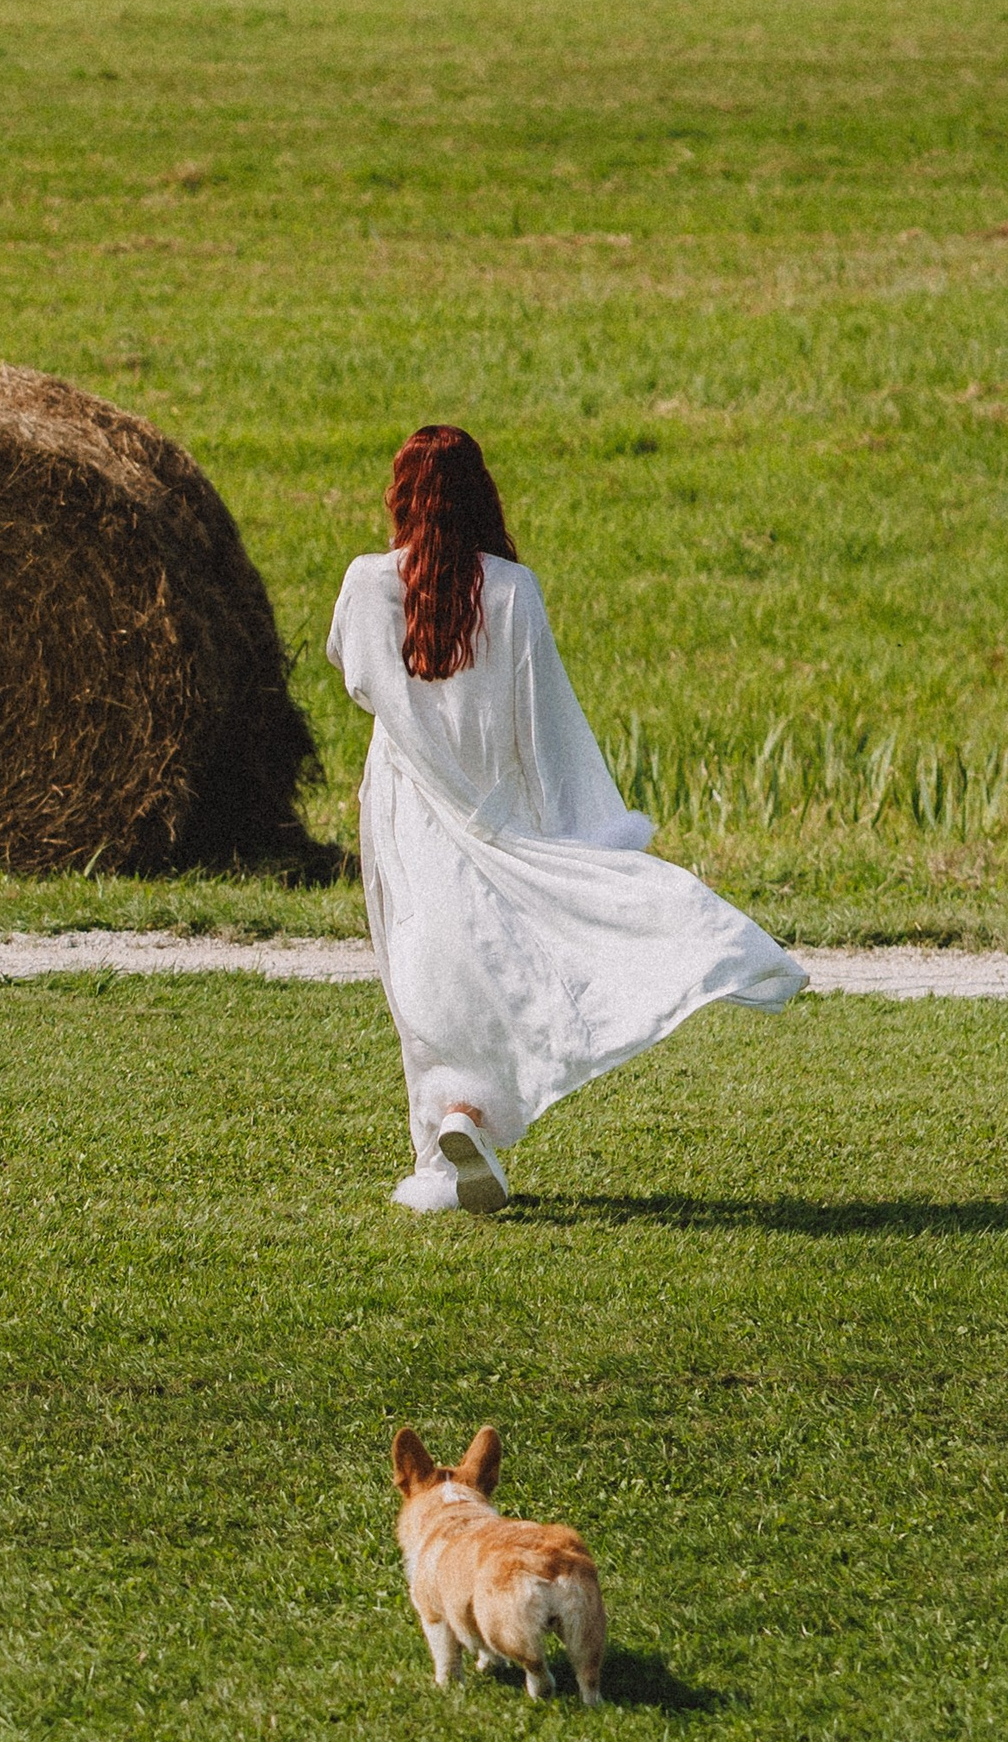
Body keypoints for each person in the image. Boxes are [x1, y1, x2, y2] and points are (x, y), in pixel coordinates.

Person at [326, 425, 804, 1215]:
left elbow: (354, 677)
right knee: (505, 960)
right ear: (483, 496)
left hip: (407, 809)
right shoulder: (512, 591)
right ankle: (464, 1124)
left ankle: (442, 1148)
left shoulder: (366, 584)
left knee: (423, 968)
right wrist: (586, 835)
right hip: (492, 808)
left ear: (401, 496)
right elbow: (545, 722)